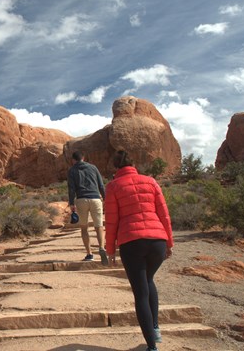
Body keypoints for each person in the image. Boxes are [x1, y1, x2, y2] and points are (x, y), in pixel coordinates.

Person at [104, 150, 174, 351]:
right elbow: (164, 213)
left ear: (116, 167)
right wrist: (169, 242)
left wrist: (110, 249)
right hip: (157, 241)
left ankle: (152, 346)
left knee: (140, 292)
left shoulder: (114, 186)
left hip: (131, 242)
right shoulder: (151, 181)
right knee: (148, 280)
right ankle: (155, 328)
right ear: (133, 164)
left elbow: (112, 221)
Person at [67, 150, 107, 265]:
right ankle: (101, 248)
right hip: (95, 199)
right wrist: (105, 199)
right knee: (99, 226)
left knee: (84, 228)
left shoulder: (72, 170)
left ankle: (89, 254)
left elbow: (71, 188)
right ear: (83, 158)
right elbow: (100, 184)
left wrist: (71, 203)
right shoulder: (93, 168)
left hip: (81, 199)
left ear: (73, 160)